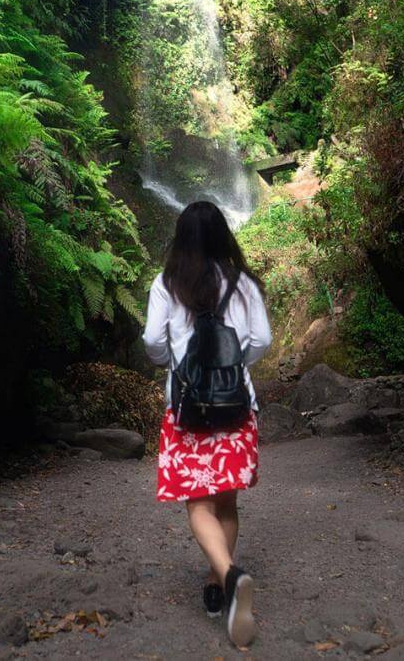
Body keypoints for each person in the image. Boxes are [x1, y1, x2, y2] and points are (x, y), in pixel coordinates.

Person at [142, 200, 272, 648]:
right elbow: (262, 340)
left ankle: (229, 577)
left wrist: (174, 364)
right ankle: (220, 584)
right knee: (227, 504)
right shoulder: (243, 285)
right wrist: (236, 367)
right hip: (236, 407)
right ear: (223, 237)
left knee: (199, 505)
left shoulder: (167, 283)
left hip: (187, 412)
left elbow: (152, 341)